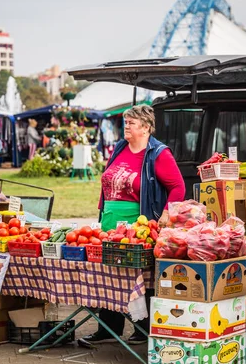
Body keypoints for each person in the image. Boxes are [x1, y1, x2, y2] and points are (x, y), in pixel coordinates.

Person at [78, 105, 186, 347]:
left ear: (146, 127)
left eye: (131, 123)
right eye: (125, 122)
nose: (126, 126)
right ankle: (108, 328)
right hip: (109, 220)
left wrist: (166, 214)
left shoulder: (157, 153)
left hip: (138, 223)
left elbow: (178, 186)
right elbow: (108, 181)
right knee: (109, 275)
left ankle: (142, 328)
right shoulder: (120, 148)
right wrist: (102, 212)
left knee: (138, 275)